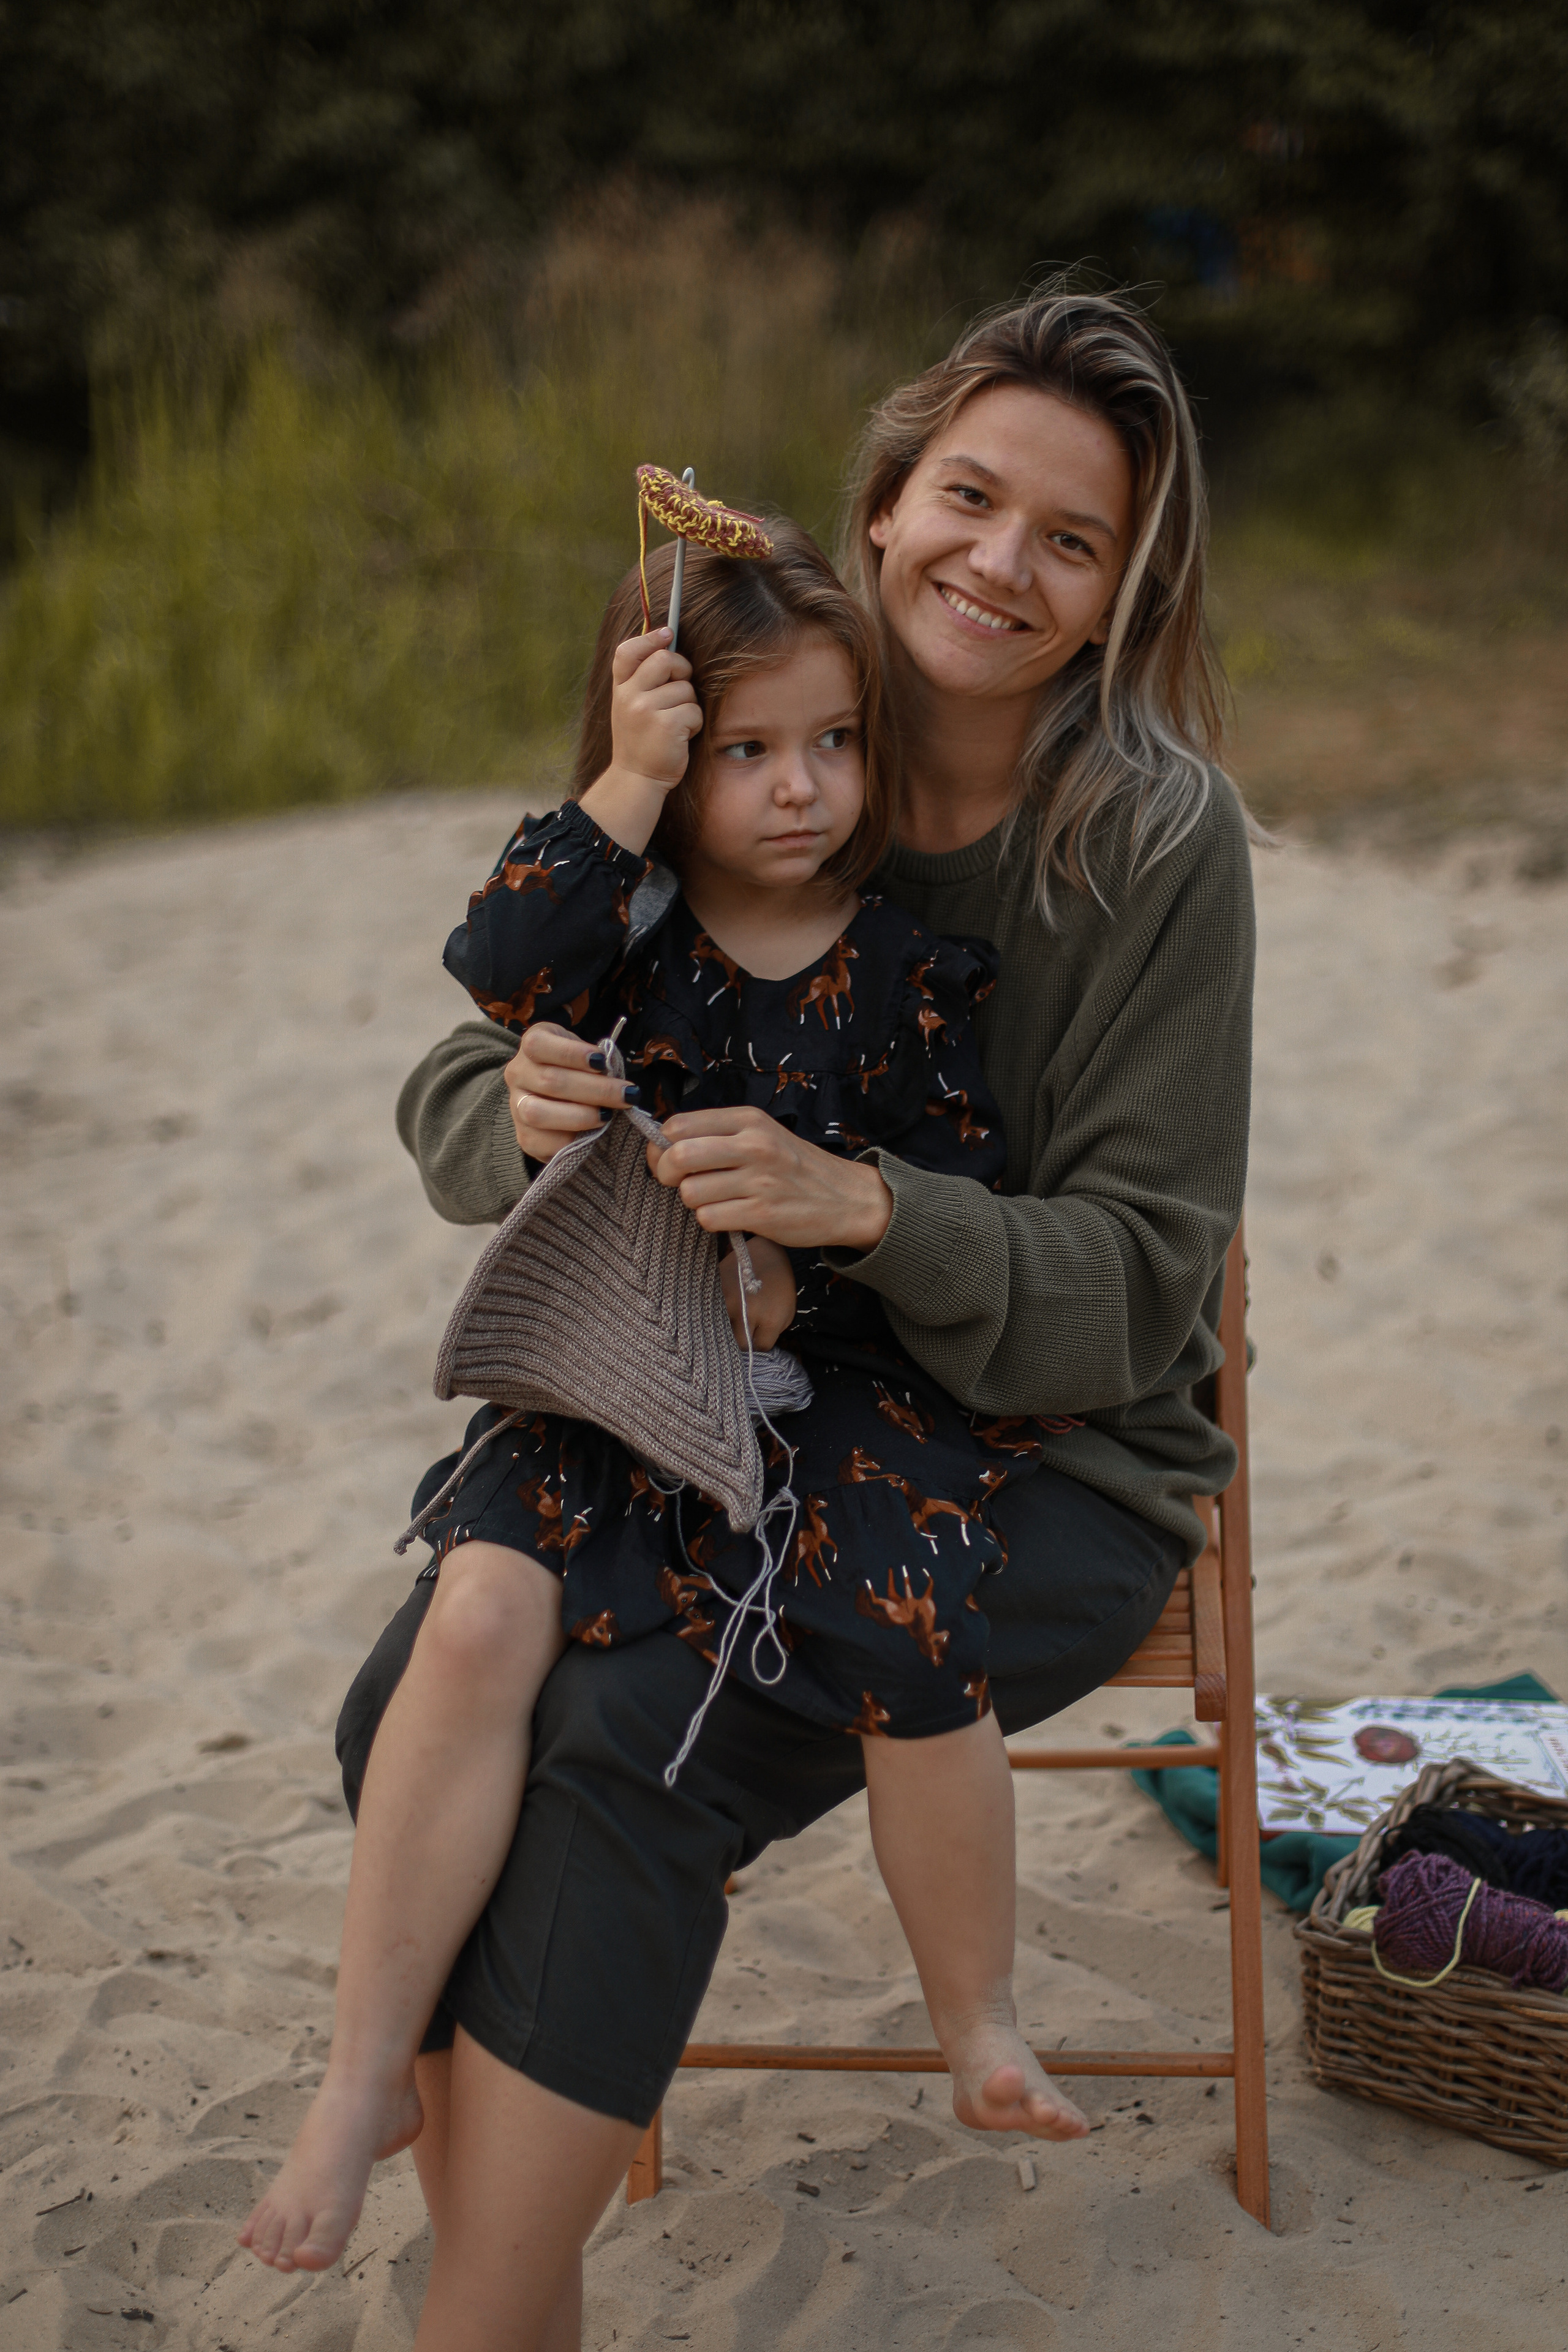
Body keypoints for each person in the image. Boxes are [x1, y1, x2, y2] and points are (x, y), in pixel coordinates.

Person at [320, 287, 1255, 2350]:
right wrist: (517, 1107)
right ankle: (500, 2257)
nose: (999, 565)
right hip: (691, 1402)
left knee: (620, 1750)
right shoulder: (765, 714)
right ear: (891, 500)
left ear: (1118, 597)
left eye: (1071, 540)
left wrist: (867, 1208)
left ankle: (484, 2313)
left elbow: (1146, 1284)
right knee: (413, 1704)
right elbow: (478, 1058)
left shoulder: (1157, 842)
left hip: (1032, 1454)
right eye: (970, 498)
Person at [239, 514, 1098, 2277]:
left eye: (835, 743)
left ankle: (980, 2013)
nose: (801, 789)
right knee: (477, 1619)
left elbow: (948, 1195)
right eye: (745, 750)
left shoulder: (912, 977)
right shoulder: (614, 944)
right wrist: (627, 782)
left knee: (909, 1614)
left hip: (835, 1382)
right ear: (670, 757)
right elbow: (491, 971)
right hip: (617, 1370)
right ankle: (356, 2080)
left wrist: (824, 1254)